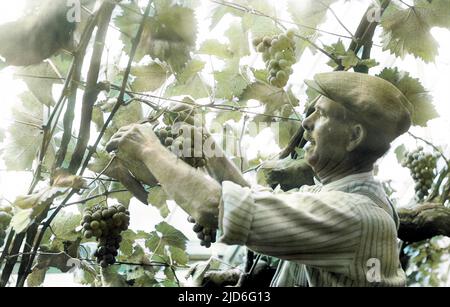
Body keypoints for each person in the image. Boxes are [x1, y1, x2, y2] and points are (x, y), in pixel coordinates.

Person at [106, 71, 413, 287]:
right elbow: (260, 201)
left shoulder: (355, 216)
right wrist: (207, 147)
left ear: (353, 136)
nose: (306, 122)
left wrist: (148, 148)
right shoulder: (337, 198)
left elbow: (214, 208)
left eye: (320, 114)